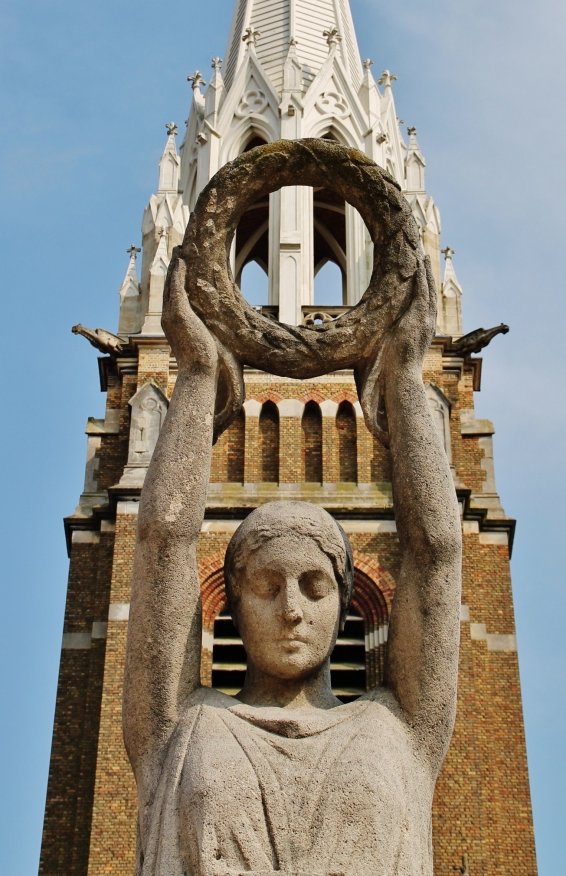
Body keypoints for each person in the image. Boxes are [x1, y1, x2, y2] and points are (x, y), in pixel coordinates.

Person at [123, 249, 462, 876]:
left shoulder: (400, 726)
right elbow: (163, 540)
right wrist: (199, 372)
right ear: (231, 600)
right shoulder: (179, 728)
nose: (290, 609)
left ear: (344, 603)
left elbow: (437, 550)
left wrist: (405, 375)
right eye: (264, 586)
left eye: (313, 587)